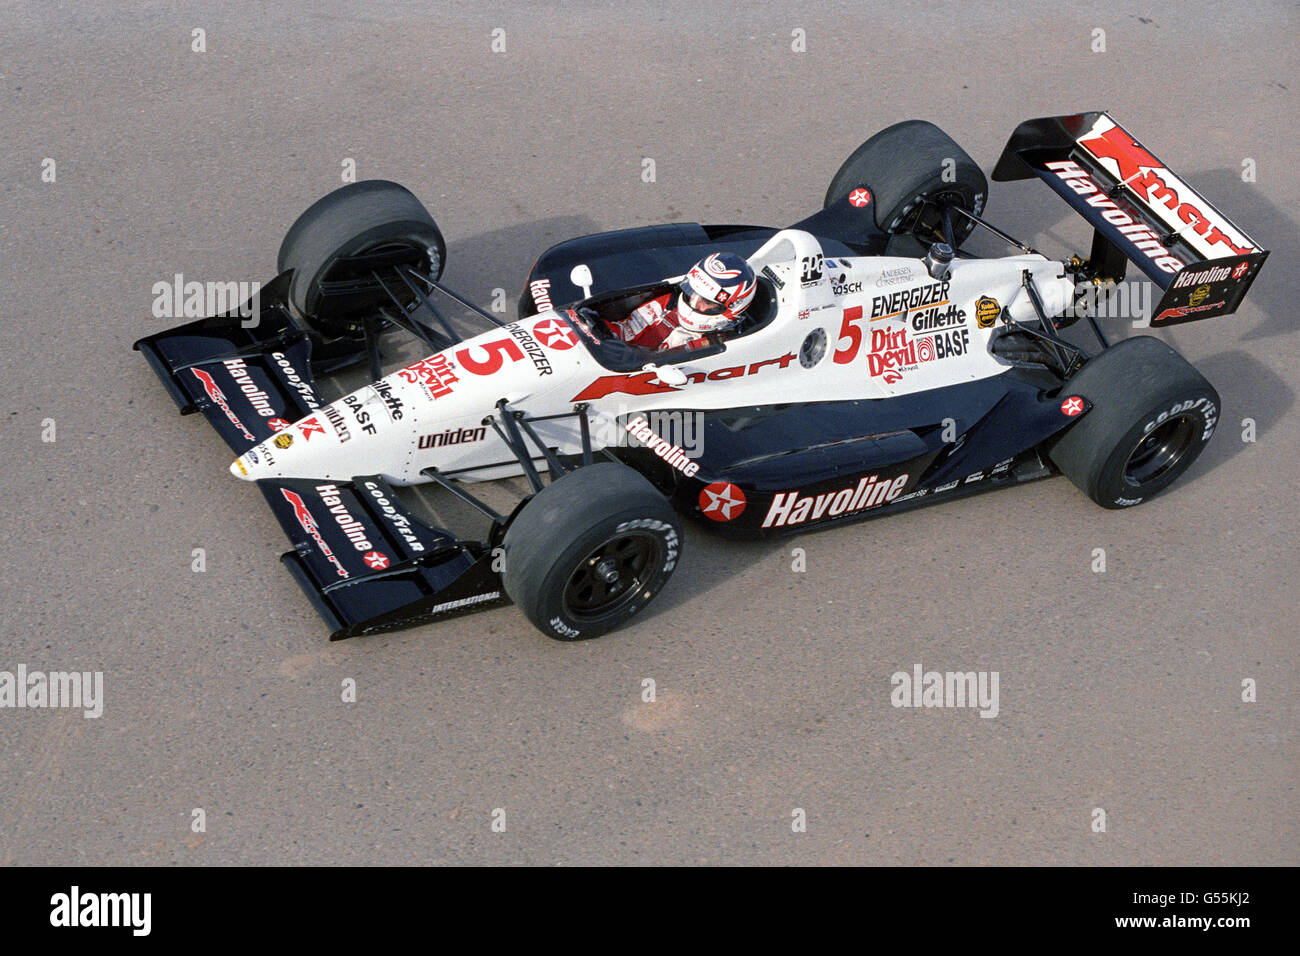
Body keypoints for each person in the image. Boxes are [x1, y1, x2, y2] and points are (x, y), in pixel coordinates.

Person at [609, 252, 757, 350]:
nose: (694, 302)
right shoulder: (668, 304)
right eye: (692, 292)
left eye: (706, 302)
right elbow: (624, 332)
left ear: (732, 307)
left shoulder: (720, 346)